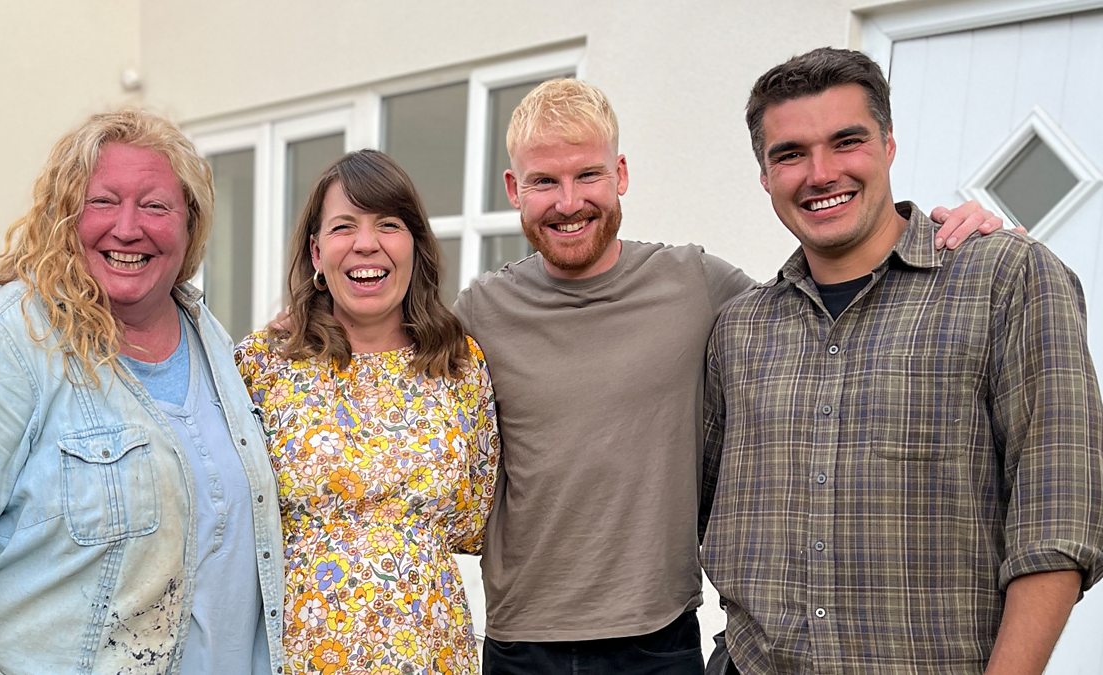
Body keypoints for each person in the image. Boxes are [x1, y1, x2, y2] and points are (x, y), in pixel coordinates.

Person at [456, 77, 1005, 674]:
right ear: (513, 188)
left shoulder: (694, 283)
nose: (568, 203)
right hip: (522, 641)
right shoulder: (479, 313)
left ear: (621, 174)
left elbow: (821, 313)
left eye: (588, 175)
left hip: (658, 639)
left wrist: (959, 238)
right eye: (544, 181)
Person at [699, 47, 1103, 673]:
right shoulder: (740, 327)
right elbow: (702, 506)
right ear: (765, 176)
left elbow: (1058, 516)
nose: (821, 173)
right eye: (790, 154)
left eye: (847, 142)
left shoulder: (1005, 279)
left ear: (888, 145)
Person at [0, 110, 285, 674]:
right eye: (102, 202)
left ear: (191, 224)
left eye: (155, 206)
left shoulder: (209, 336)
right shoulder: (2, 344)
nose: (128, 228)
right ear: (63, 215)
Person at [235, 149, 500, 673]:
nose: (365, 243)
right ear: (316, 252)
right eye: (343, 226)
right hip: (300, 657)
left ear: (415, 246)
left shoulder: (460, 365)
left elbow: (474, 520)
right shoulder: (262, 365)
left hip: (431, 654)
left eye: (388, 224)